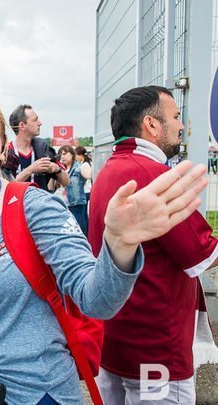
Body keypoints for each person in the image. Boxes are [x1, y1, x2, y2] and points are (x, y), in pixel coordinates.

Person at [0, 90, 207, 404]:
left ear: (1, 148)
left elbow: (95, 299)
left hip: (37, 394)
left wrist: (119, 244)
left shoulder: (35, 208)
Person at [88, 85, 218, 404]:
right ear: (151, 124)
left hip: (114, 339)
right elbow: (203, 255)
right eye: (175, 116)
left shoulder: (109, 170)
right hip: (156, 342)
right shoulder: (155, 174)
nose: (181, 125)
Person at [6, 104, 69, 191]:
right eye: (35, 120)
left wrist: (57, 169)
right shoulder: (6, 153)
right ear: (22, 125)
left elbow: (67, 182)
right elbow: (6, 188)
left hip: (41, 203)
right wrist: (30, 170)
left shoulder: (43, 148)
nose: (40, 123)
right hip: (18, 203)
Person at [56, 145, 90, 235]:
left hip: (76, 204)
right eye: (60, 154)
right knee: (66, 232)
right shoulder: (60, 168)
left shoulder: (79, 166)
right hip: (62, 205)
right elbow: (51, 187)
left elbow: (89, 175)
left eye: (64, 154)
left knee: (77, 232)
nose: (62, 156)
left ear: (72, 154)